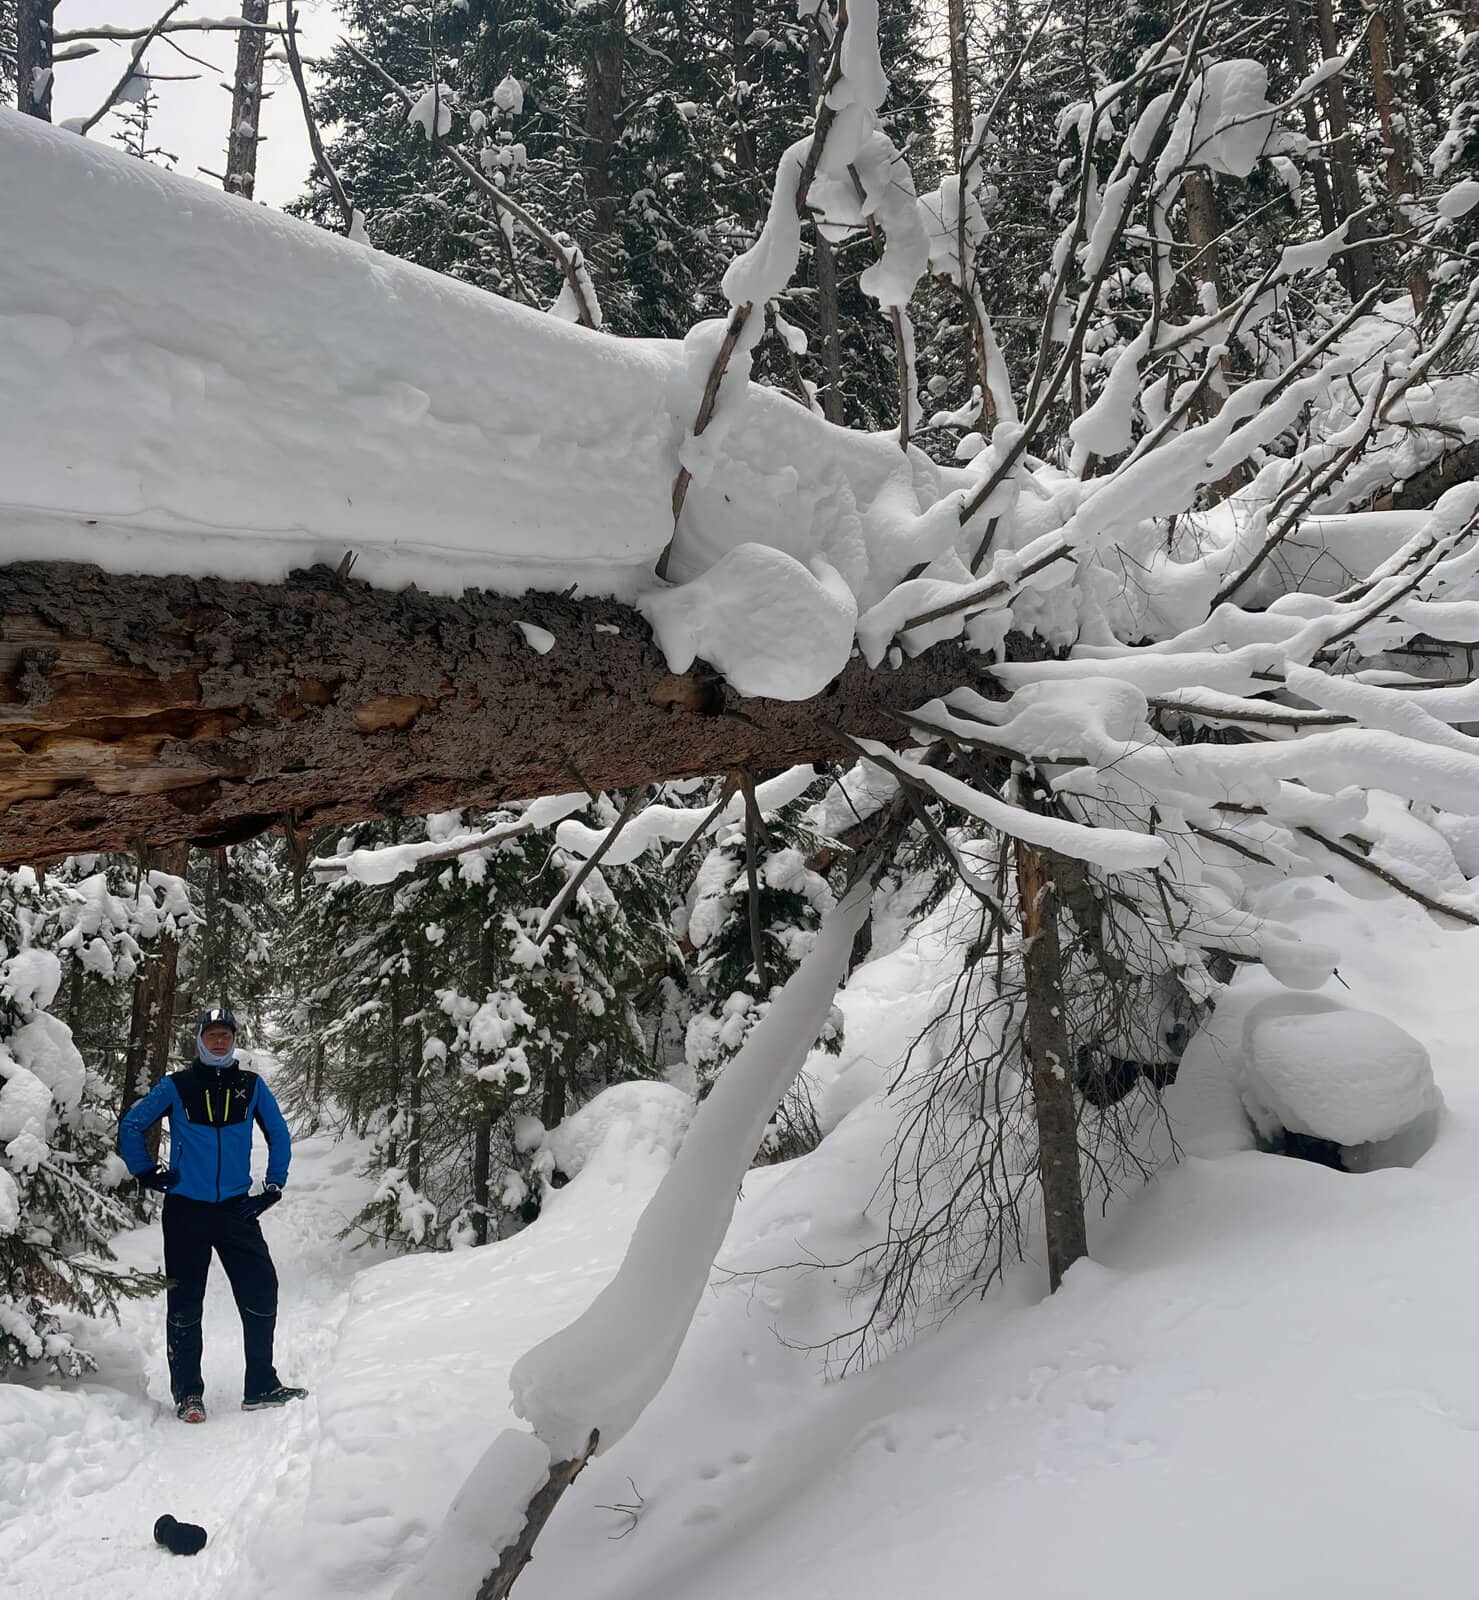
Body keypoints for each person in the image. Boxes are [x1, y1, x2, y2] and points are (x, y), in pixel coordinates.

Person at [119, 1005, 307, 1423]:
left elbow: (278, 1133)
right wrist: (146, 1172)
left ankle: (261, 1384)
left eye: (225, 1034)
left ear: (234, 1039)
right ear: (200, 1039)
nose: (218, 1040)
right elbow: (132, 1125)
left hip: (236, 1209)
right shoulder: (176, 1086)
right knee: (185, 1302)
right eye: (211, 1034)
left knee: (262, 1289)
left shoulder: (251, 1085)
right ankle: (188, 1395)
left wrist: (273, 1187)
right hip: (186, 1210)